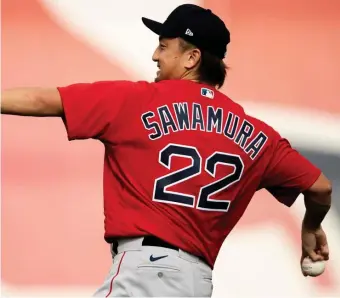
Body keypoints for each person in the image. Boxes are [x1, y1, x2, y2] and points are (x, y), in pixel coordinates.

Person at [1, 3, 332, 298]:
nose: (155, 56)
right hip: (196, 282)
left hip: (145, 273)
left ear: (192, 57)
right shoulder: (259, 136)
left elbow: (43, 100)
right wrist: (312, 225)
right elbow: (320, 187)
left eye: (163, 45)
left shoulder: (136, 101)